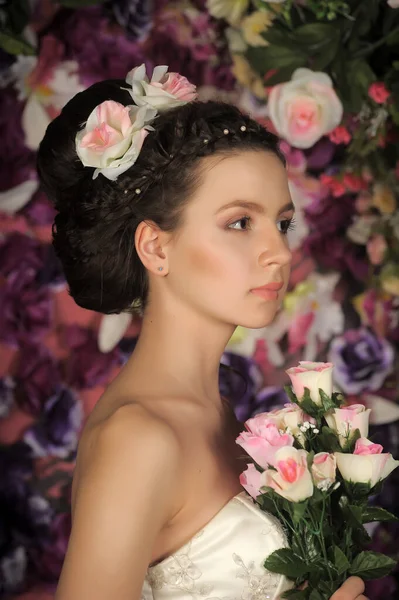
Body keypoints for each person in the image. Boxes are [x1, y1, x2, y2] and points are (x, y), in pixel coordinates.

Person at [37, 65, 369, 600]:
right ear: (156, 248)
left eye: (282, 223)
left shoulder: (212, 409)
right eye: (240, 222)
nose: (280, 253)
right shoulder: (139, 438)